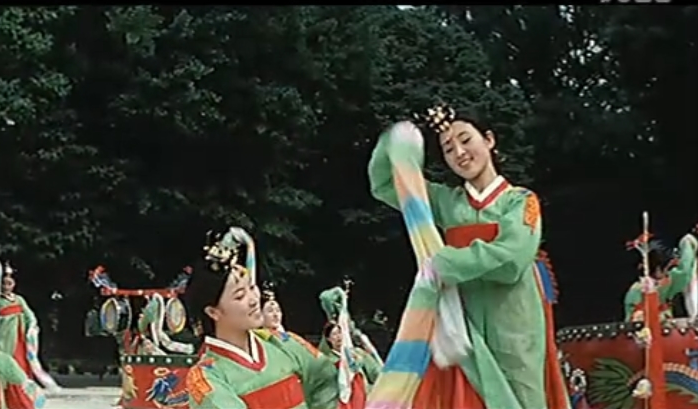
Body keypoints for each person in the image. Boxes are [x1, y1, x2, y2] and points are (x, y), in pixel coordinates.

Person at [367, 104, 568, 408]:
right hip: (463, 325)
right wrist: (399, 140)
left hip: (515, 326)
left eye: (465, 140)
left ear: (488, 139)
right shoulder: (446, 202)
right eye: (448, 149)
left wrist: (445, 263)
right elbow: (385, 183)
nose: (459, 153)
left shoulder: (520, 201)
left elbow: (512, 259)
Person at [182, 227, 340, 409]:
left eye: (252, 287)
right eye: (240, 296)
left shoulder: (284, 343)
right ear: (213, 312)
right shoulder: (208, 377)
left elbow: (327, 382)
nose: (253, 300)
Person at [0, 263, 55, 388]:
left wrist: (31, 326)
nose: (6, 287)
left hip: (20, 332)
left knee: (21, 357)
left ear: (14, 285)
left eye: (9, 284)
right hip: (4, 332)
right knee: (4, 354)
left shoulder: (19, 299)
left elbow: (29, 314)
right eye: (4, 284)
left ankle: (21, 384)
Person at [623, 232, 697, 321]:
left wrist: (687, 245)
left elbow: (684, 272)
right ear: (658, 269)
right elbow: (637, 321)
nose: (667, 273)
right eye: (666, 269)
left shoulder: (666, 284)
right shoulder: (637, 291)